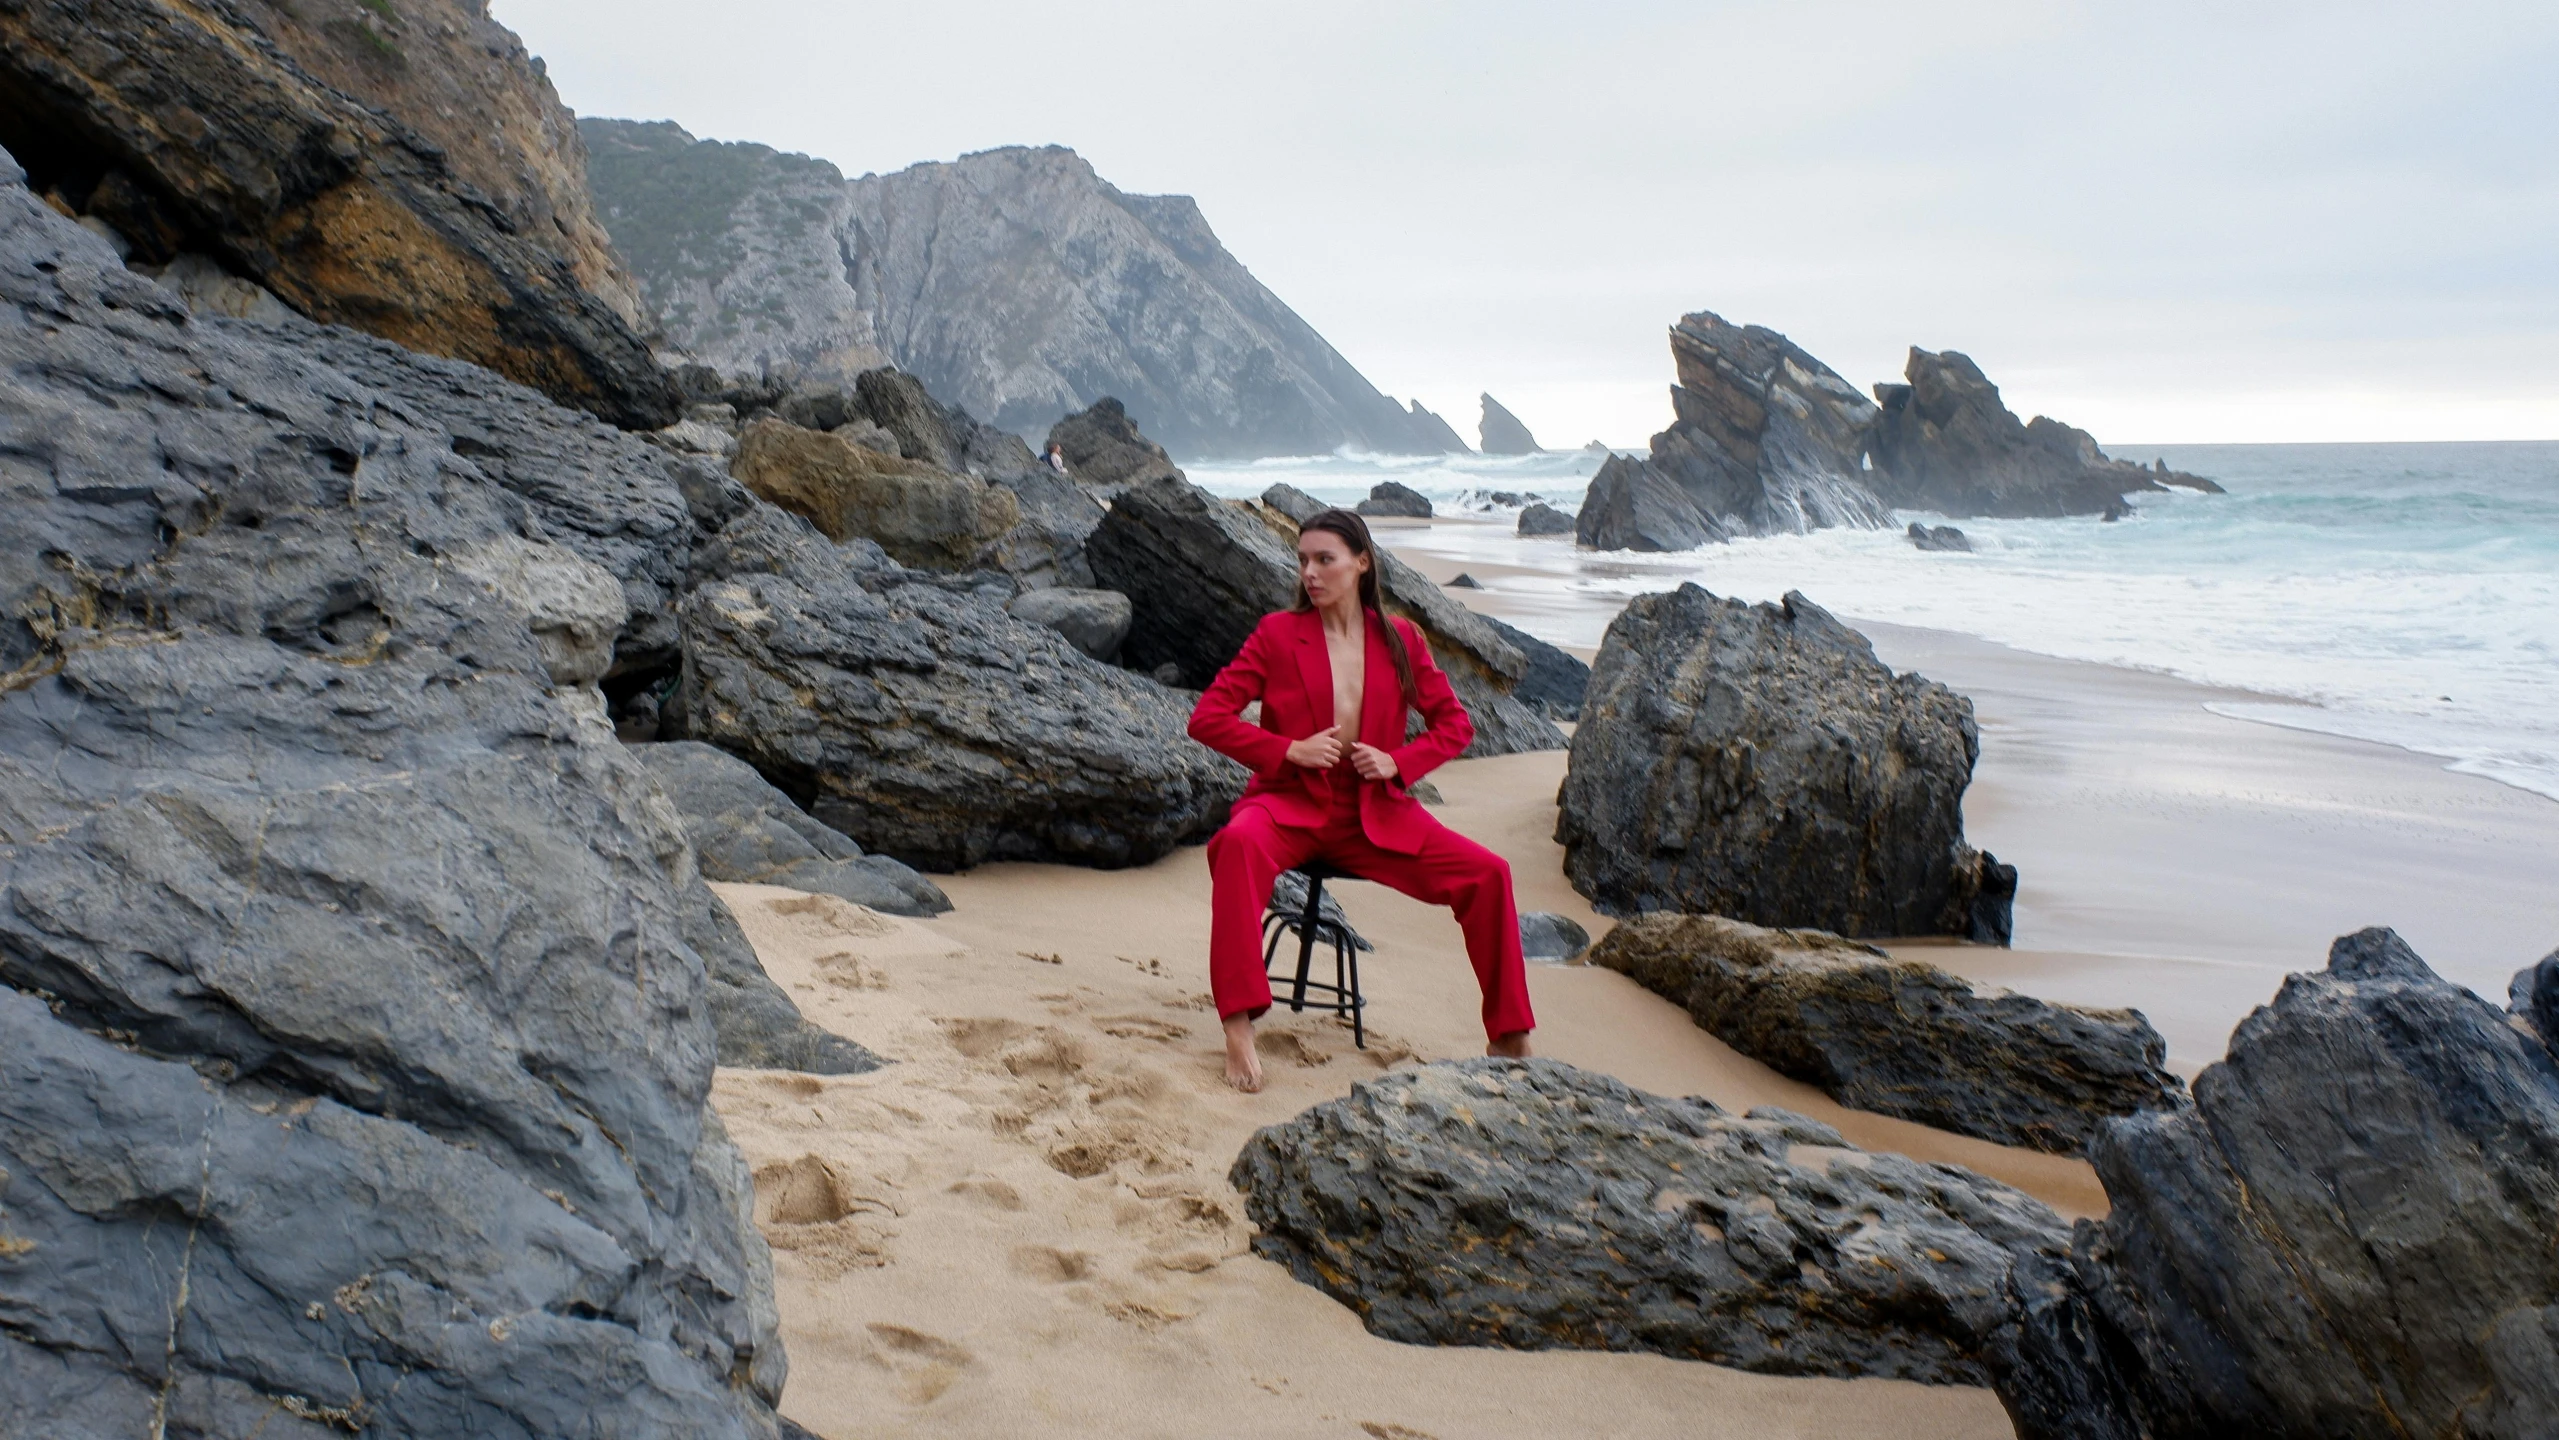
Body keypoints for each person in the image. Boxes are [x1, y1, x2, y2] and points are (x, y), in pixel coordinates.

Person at [1186, 508, 1535, 1091]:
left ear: (1362, 562)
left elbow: (1454, 724)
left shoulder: (1400, 638)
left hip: (1375, 814)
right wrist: (1287, 749)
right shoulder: (1277, 634)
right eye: (1303, 561)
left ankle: (1510, 1035)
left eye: (1325, 559)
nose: (1310, 573)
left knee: (1489, 874)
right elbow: (1207, 718)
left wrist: (1400, 762)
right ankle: (1239, 1028)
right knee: (1237, 845)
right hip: (1289, 805)